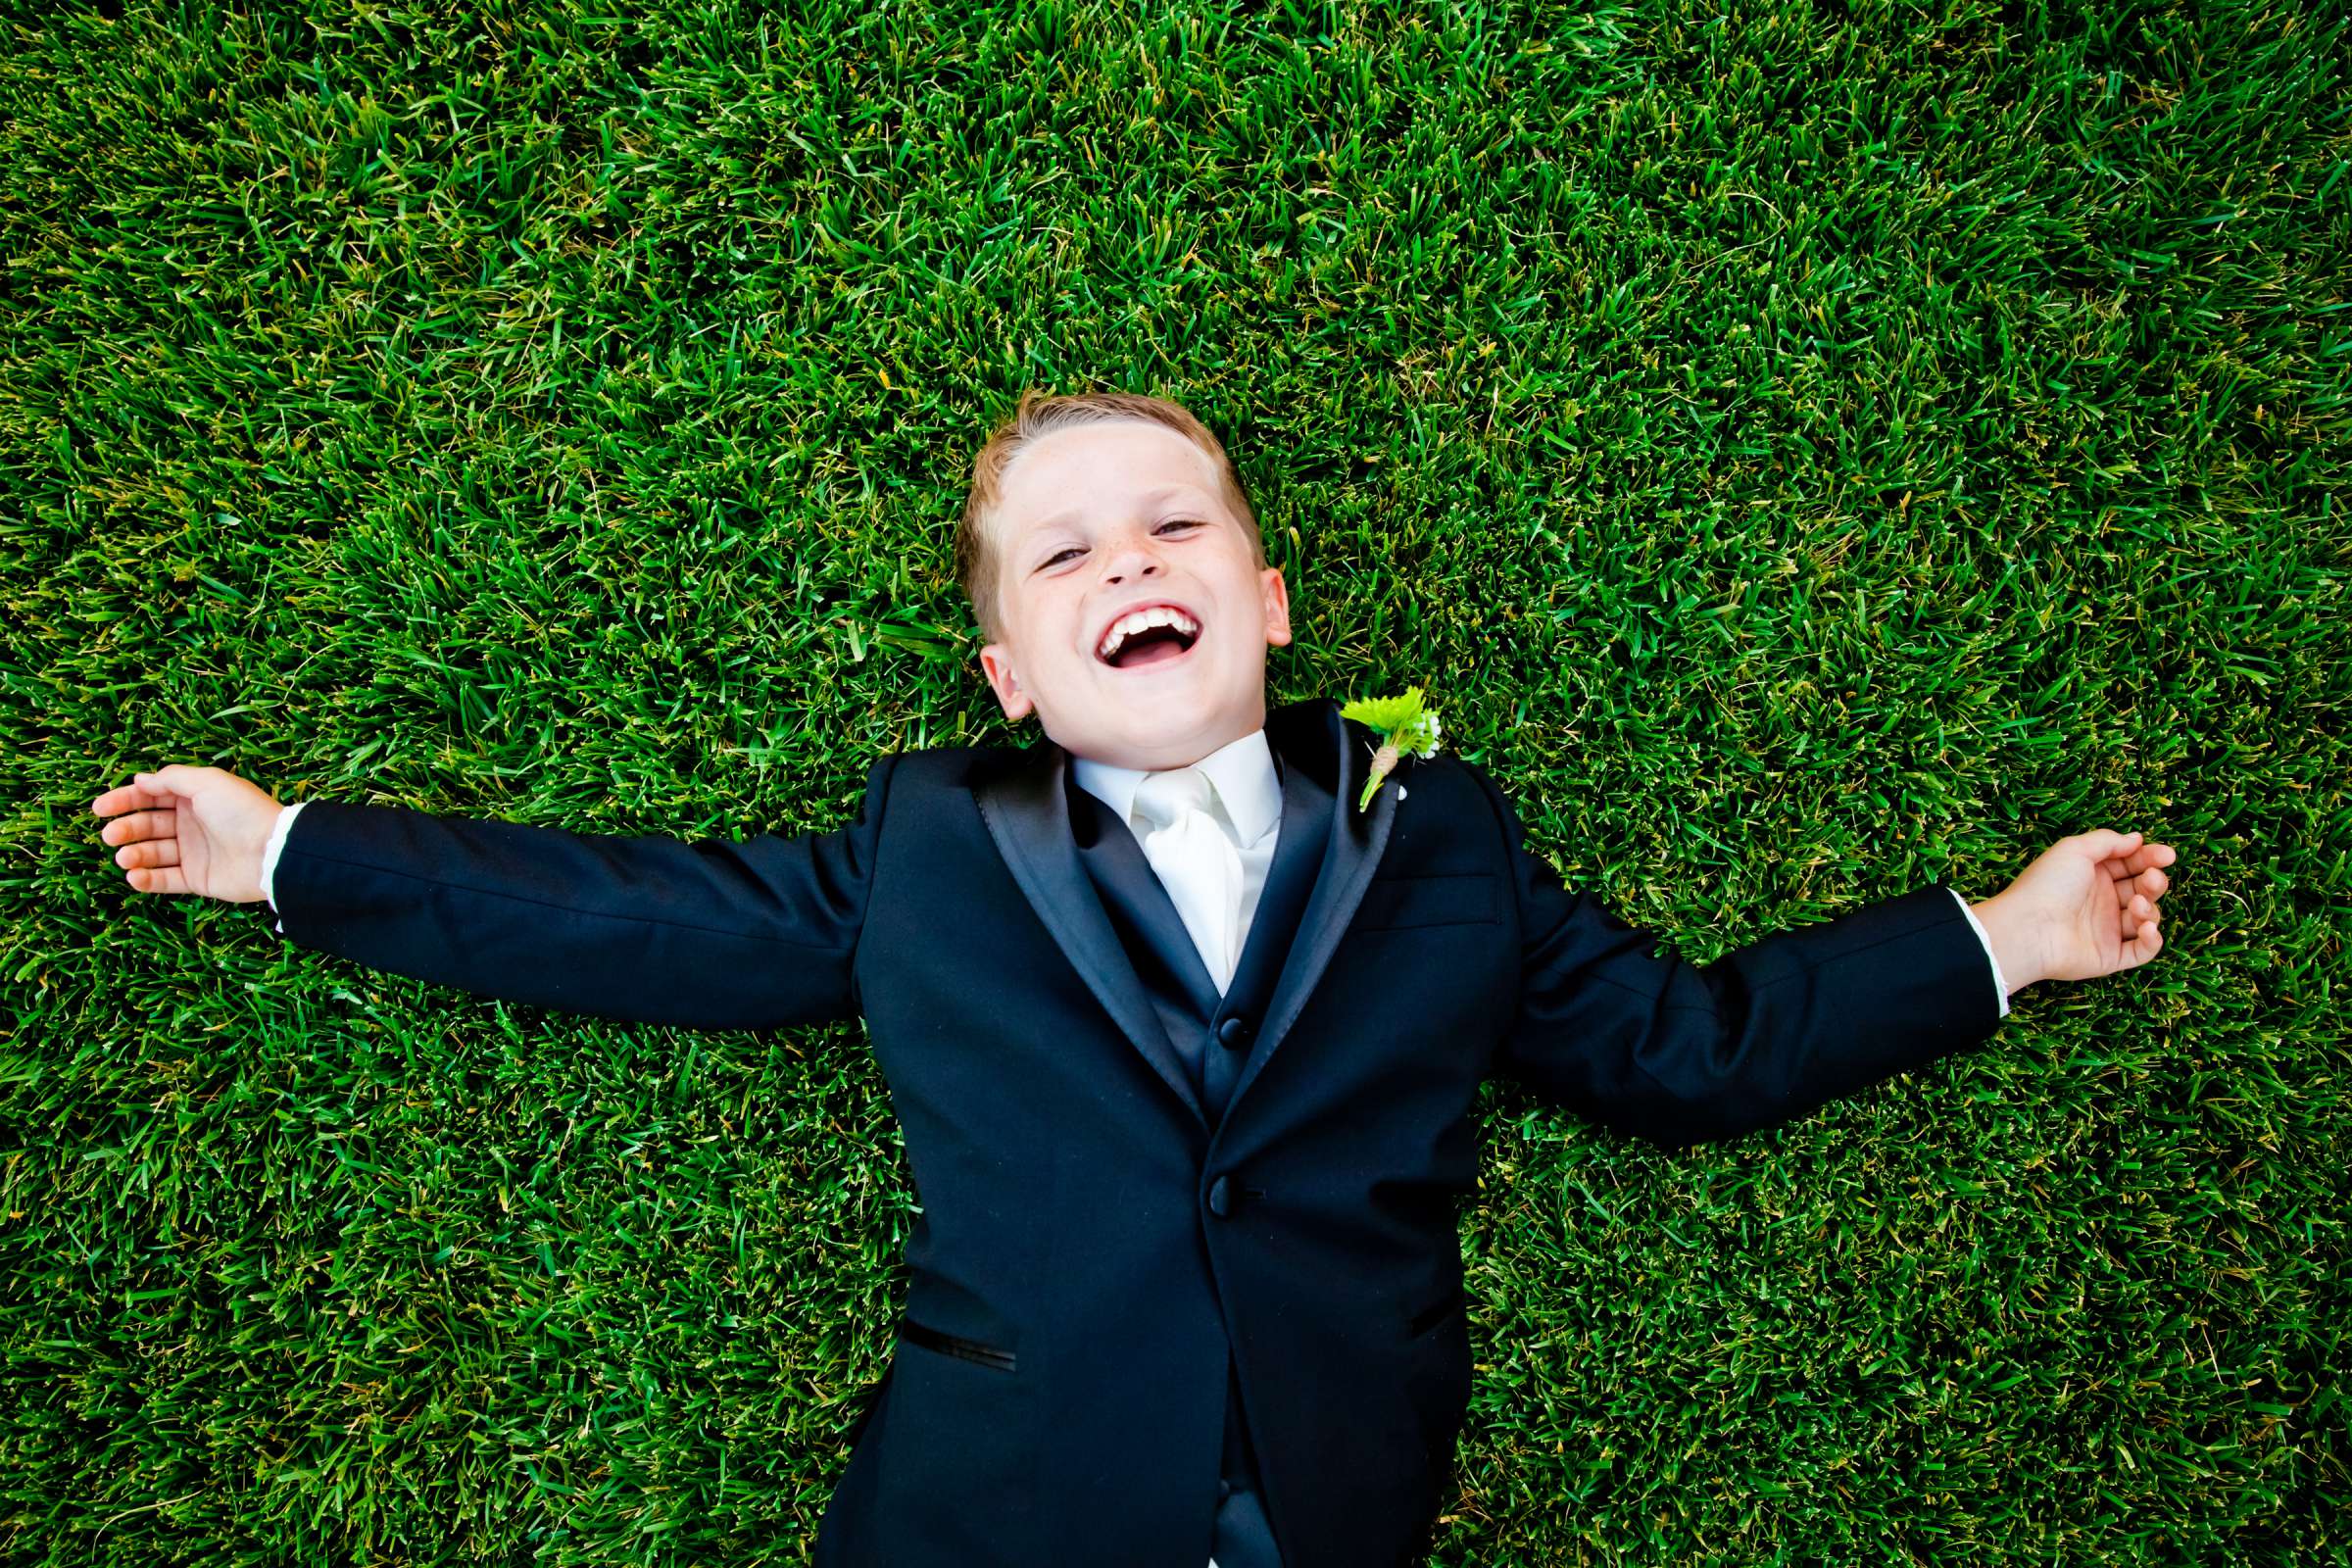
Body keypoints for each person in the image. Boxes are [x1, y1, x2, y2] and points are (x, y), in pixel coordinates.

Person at [89, 389, 2177, 1568]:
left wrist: (1999, 932)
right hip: (992, 1503)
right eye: (1066, 556)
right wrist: (292, 851)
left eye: (1172, 524)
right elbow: (639, 919)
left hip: (1330, 1495)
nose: (1131, 564)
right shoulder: (928, 844)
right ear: (1008, 677)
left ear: (1267, 598)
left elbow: (1685, 1044)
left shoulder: (1432, 831)